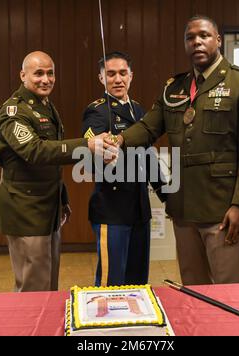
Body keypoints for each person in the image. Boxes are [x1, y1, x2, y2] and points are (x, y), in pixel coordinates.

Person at [115, 16, 239, 285]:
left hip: (223, 210)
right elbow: (148, 128)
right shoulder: (174, 88)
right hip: (184, 210)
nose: (197, 41)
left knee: (231, 292)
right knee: (194, 291)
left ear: (218, 40)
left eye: (204, 35)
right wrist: (118, 140)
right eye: (190, 37)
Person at [0, 51, 112, 292]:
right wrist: (85, 145)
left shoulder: (45, 107)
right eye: (38, 73)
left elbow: (52, 162)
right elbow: (35, 151)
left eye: (50, 73)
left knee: (48, 282)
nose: (46, 79)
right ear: (23, 75)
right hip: (25, 209)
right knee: (33, 287)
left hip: (48, 207)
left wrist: (62, 199)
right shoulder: (13, 112)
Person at [82, 51, 166, 287]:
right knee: (113, 282)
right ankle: (108, 324)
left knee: (138, 280)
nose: (117, 79)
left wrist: (166, 193)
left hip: (139, 210)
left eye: (122, 73)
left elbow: (147, 154)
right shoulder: (96, 111)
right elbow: (92, 144)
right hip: (112, 209)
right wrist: (104, 151)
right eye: (110, 74)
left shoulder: (139, 110)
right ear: (101, 78)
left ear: (131, 76)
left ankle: (137, 324)